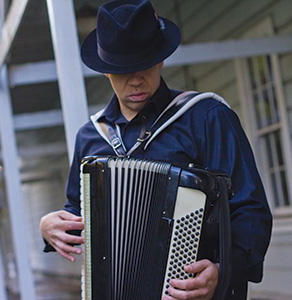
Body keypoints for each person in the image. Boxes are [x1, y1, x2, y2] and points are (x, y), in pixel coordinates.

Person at [40, 0, 272, 299]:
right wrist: (50, 226)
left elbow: (250, 209)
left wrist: (222, 269)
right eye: (122, 70)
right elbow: (79, 213)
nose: (136, 79)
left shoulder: (206, 117)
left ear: (161, 59)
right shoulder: (90, 136)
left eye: (145, 64)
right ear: (105, 71)